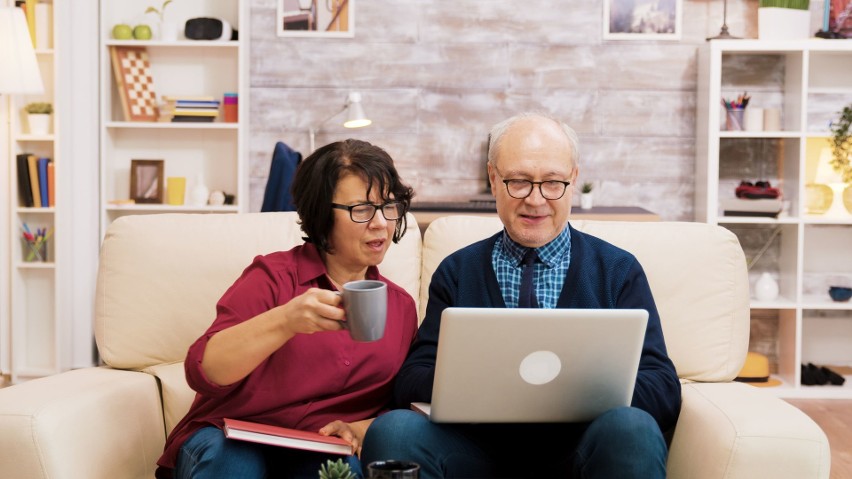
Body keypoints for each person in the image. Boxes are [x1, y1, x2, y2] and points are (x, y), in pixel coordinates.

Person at [361, 112, 681, 478]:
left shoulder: (618, 271)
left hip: (579, 452)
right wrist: (480, 383)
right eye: (519, 182)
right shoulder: (457, 271)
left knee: (633, 430)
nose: (536, 199)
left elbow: (663, 388)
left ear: (573, 179)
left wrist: (573, 393)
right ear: (493, 179)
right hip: (474, 453)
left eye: (552, 183)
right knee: (395, 431)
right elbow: (412, 379)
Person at [155, 139, 418, 479]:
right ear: (323, 215)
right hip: (230, 437)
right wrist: (286, 320)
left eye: (388, 206)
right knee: (236, 464)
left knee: (339, 471)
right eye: (362, 209)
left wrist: (358, 427)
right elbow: (203, 371)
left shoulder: (400, 306)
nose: (380, 222)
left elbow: (399, 406)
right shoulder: (273, 278)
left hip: (315, 448)